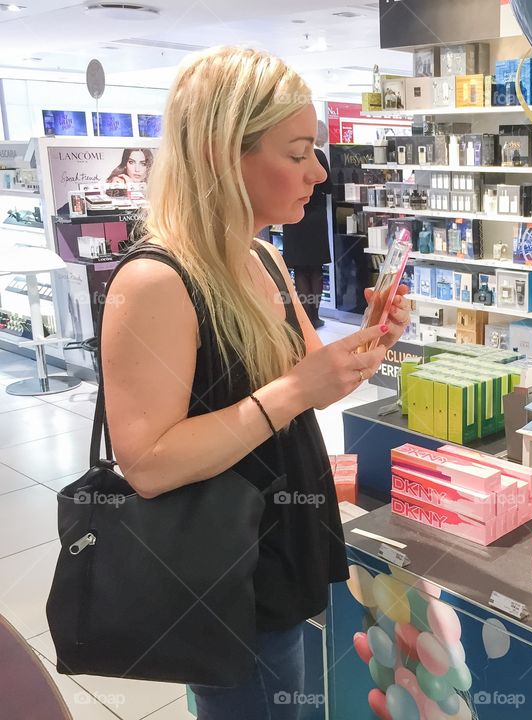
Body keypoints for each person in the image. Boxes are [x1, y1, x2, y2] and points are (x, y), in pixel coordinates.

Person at [99, 47, 410, 719]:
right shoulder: (157, 281)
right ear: (221, 153)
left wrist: (375, 337)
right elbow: (147, 463)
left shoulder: (260, 258)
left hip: (279, 550)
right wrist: (296, 390)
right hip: (223, 572)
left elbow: (315, 382)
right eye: (297, 153)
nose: (318, 172)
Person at [281, 122, 333, 328]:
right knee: (316, 269)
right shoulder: (319, 156)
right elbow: (328, 187)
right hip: (315, 219)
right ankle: (316, 315)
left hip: (293, 218)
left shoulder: (290, 155)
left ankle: (305, 316)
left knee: (300, 270)